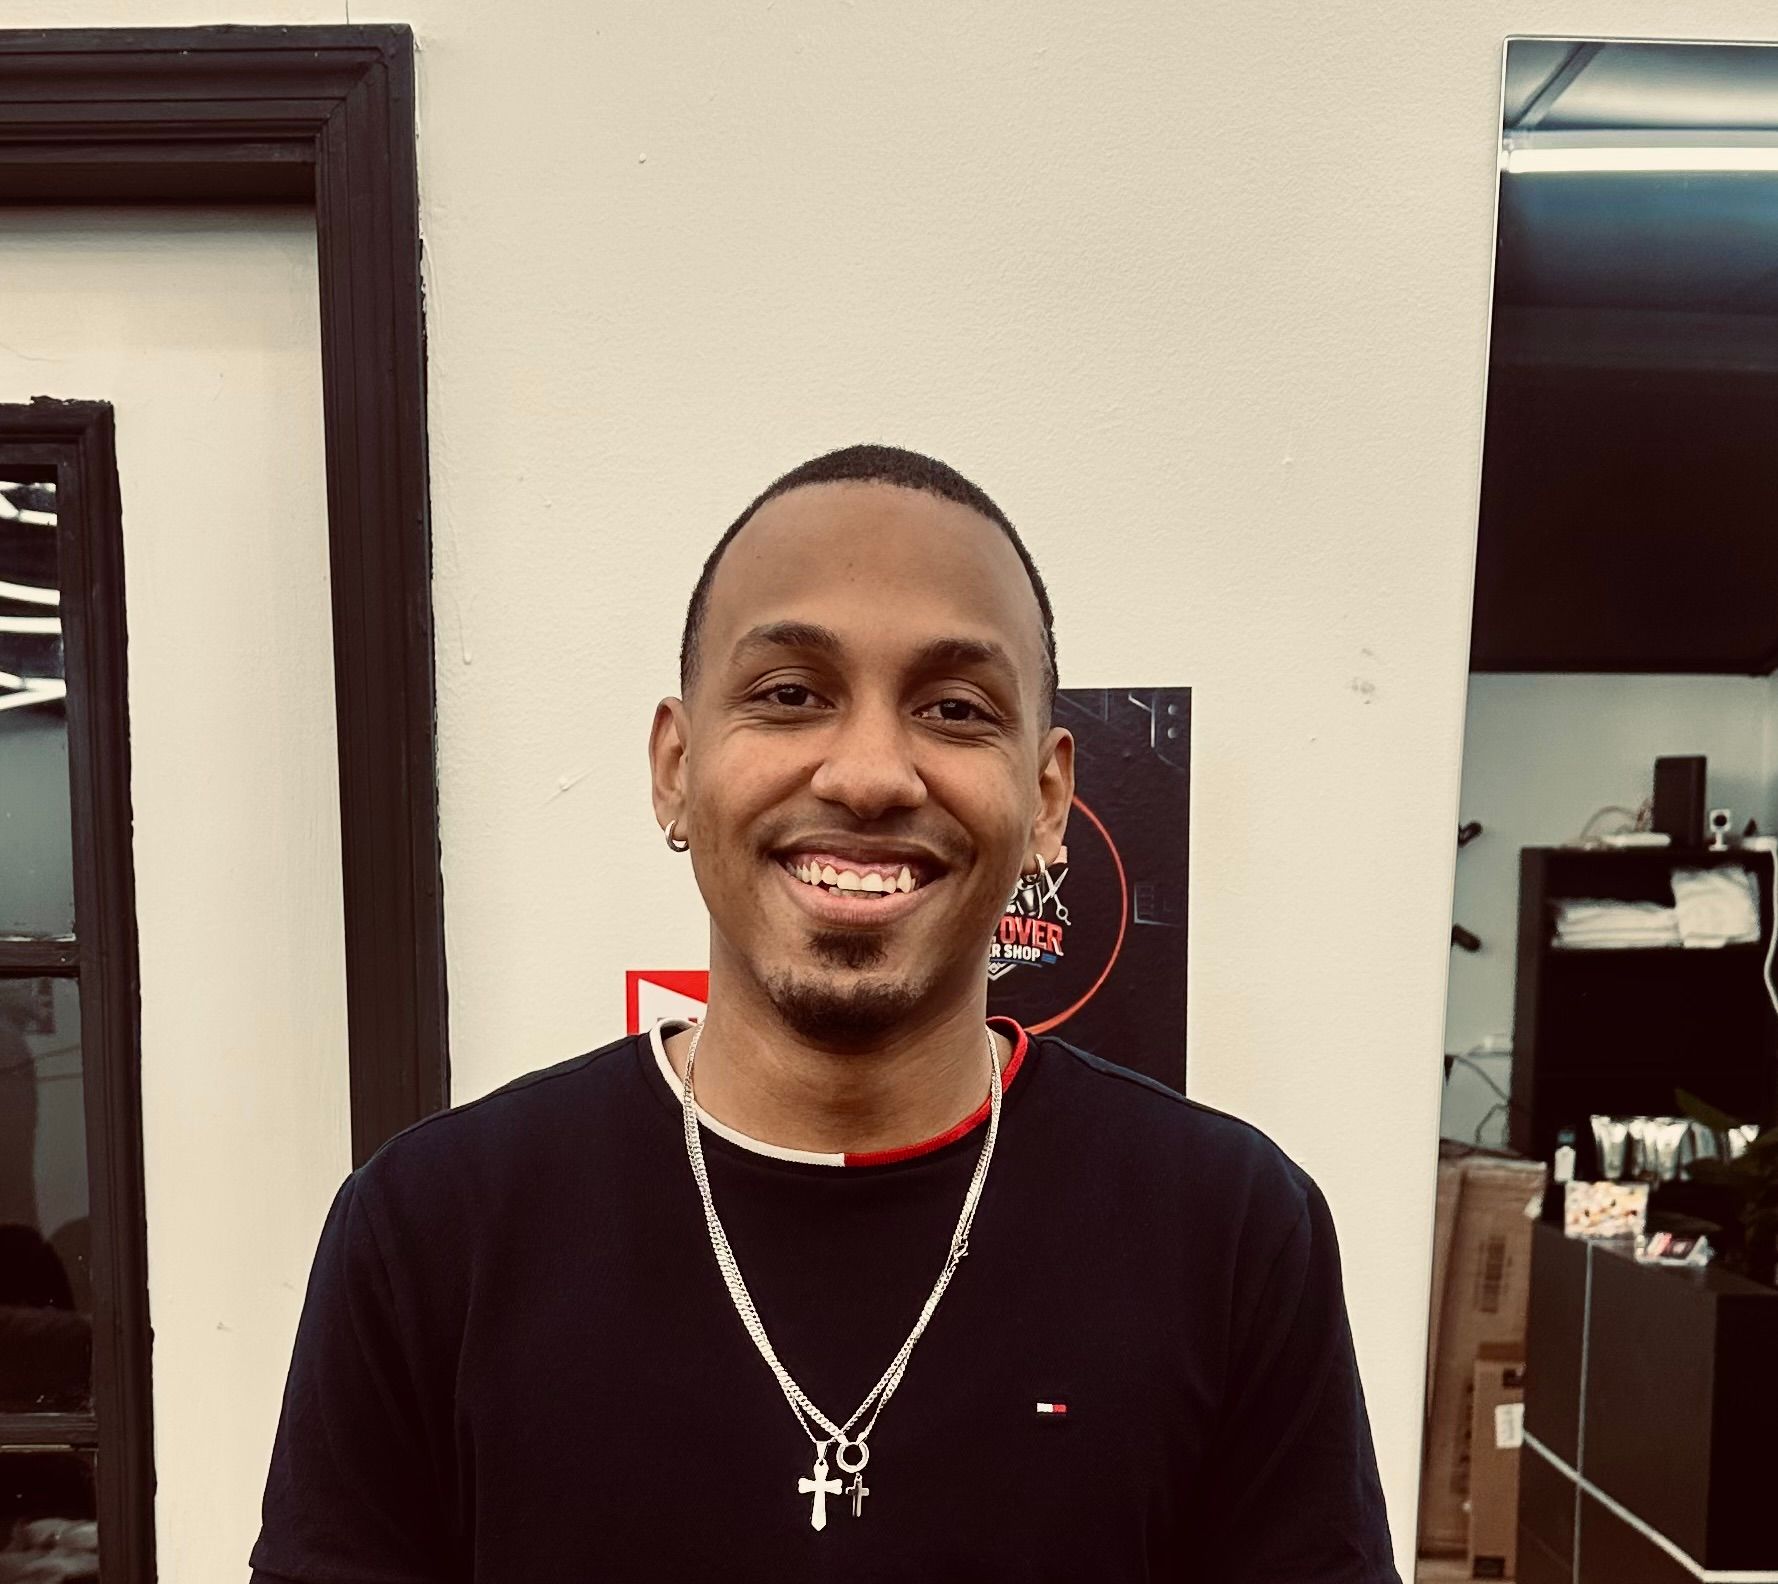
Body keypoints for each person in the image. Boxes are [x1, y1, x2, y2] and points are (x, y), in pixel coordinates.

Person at [249, 445, 1400, 1582]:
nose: (866, 773)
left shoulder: (1235, 1235)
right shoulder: (430, 1234)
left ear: (1047, 799)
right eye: (790, 695)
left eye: (952, 708)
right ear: (674, 766)